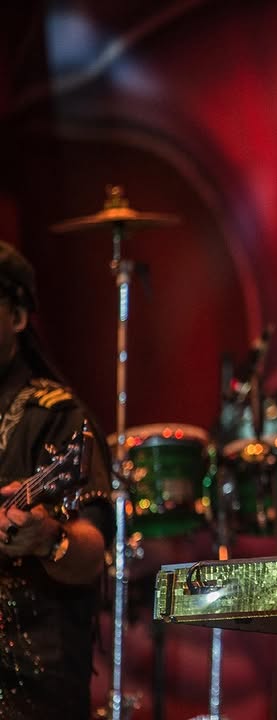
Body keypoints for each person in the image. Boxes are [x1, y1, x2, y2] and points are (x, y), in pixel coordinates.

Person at [0, 241, 113, 719]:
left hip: (26, 687)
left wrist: (49, 538)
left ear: (17, 316)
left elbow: (93, 550)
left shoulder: (56, 416)